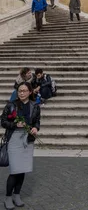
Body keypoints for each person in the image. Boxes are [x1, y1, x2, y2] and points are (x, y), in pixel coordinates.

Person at [1, 81, 41, 209]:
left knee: (22, 169)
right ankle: (8, 197)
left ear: (30, 92)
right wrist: (14, 124)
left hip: (27, 140)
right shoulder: (11, 105)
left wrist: (36, 128)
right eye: (19, 91)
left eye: (24, 90)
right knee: (14, 170)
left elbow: (37, 121)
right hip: (14, 139)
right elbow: (3, 122)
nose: (21, 93)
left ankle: (17, 195)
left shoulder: (35, 106)